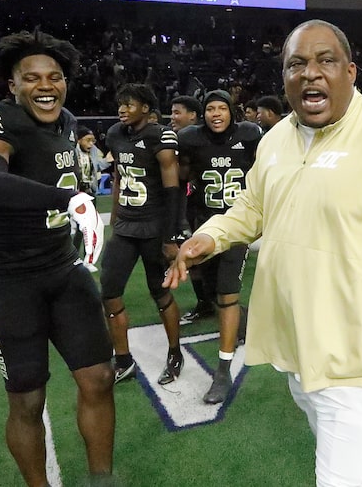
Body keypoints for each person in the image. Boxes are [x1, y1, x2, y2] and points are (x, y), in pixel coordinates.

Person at [164, 20, 362, 484]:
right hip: (300, 346)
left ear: (350, 72)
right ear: (285, 79)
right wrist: (211, 236)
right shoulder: (275, 141)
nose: (311, 73)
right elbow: (253, 205)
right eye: (297, 64)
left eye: (326, 61)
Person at [0, 30, 114, 486]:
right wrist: (66, 199)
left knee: (100, 378)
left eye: (54, 76)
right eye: (31, 78)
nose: (45, 85)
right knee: (27, 402)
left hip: (63, 269)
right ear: (12, 85)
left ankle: (102, 480)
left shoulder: (67, 120)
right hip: (8, 280)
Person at [177, 89, 261, 404]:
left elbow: (264, 171)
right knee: (213, 293)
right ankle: (245, 319)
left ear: (231, 112)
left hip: (235, 226)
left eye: (221, 108)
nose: (216, 114)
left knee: (227, 292)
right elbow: (180, 179)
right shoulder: (190, 139)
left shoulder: (250, 135)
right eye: (210, 108)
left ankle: (222, 371)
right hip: (204, 226)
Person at [99, 83, 184, 385]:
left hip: (153, 226)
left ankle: (175, 352)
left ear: (146, 109)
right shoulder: (114, 134)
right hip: (126, 225)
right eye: (120, 104)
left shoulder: (159, 135)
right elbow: (119, 176)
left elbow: (173, 187)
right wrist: (114, 217)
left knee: (159, 291)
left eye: (129, 104)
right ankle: (123, 359)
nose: (122, 109)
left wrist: (172, 236)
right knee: (109, 289)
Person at [169, 95, 216, 324]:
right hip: (187, 206)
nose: (172, 118)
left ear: (193, 116)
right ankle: (206, 302)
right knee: (195, 258)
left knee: (206, 259)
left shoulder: (208, 139)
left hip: (206, 207)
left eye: (178, 112)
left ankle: (215, 301)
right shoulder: (174, 139)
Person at [74, 126, 110, 267]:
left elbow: (97, 166)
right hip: (76, 194)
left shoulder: (93, 151)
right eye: (87, 140)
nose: (91, 144)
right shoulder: (72, 152)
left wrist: (108, 160)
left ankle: (87, 259)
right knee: (78, 227)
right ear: (79, 140)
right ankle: (73, 257)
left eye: (92, 141)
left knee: (90, 226)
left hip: (90, 192)